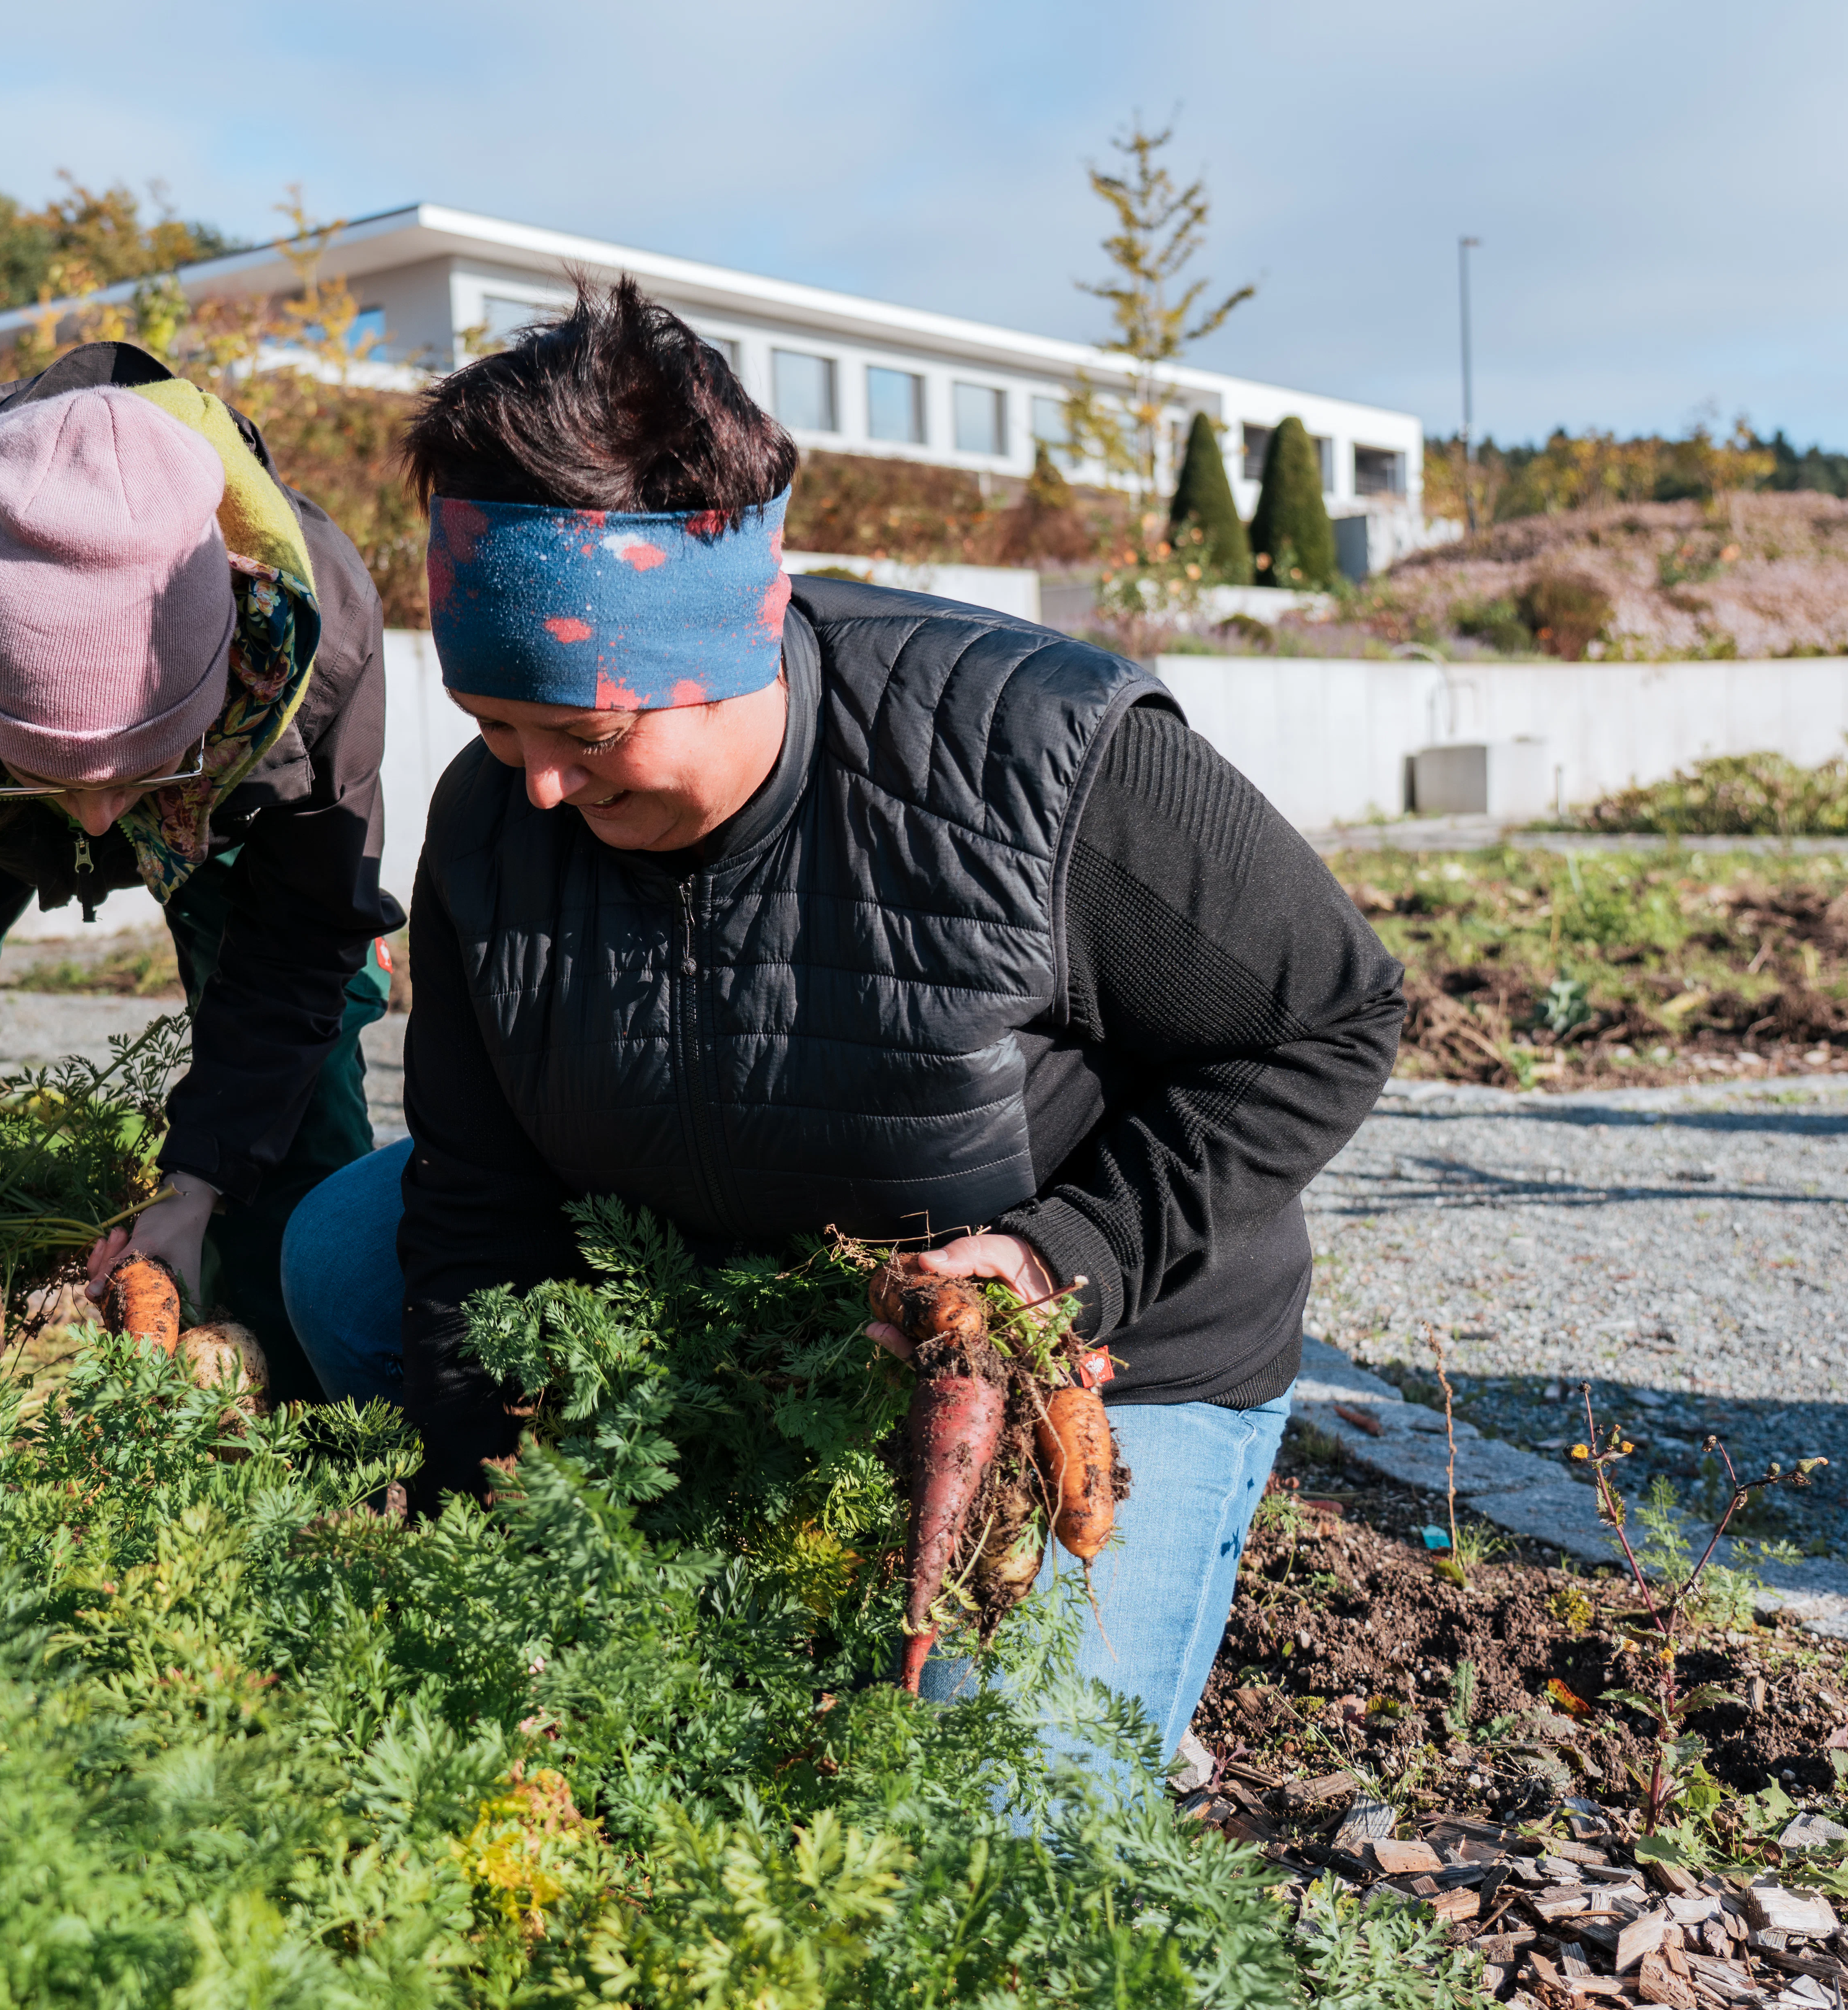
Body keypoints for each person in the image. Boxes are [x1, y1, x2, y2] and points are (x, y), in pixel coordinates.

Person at [277, 282, 1403, 1763]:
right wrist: (491, 1551)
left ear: (719, 646)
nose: (538, 785)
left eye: (586, 732)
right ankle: (747, 1545)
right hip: (750, 1285)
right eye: (496, 726)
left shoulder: (1039, 755)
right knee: (349, 1251)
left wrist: (1069, 1256)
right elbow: (482, 1205)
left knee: (991, 1830)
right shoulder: (497, 823)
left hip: (1085, 1337)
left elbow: (1329, 1015)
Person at [0, 342, 401, 1387]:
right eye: (47, 772)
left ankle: (308, 1385)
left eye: (143, 766)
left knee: (307, 1077)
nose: (101, 819)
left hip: (228, 783)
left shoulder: (313, 640)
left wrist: (198, 1182)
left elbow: (305, 943)